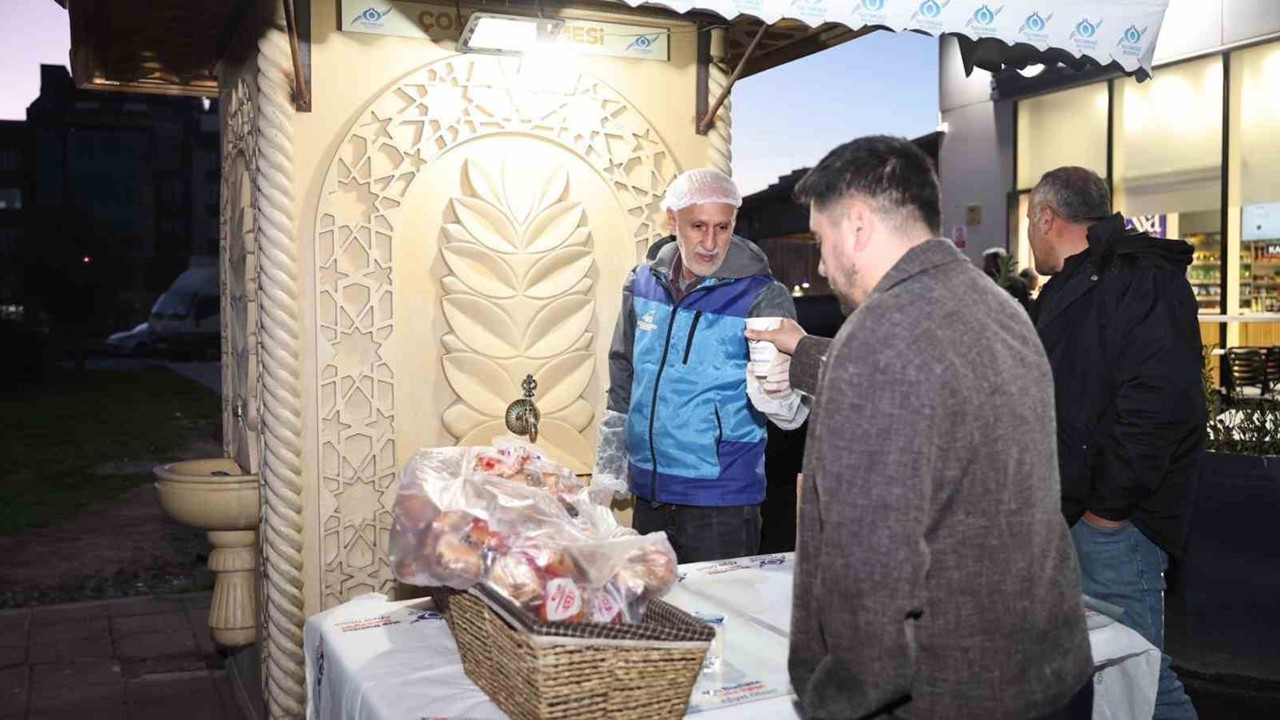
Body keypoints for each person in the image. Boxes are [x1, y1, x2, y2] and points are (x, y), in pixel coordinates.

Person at [748, 136, 1092, 720]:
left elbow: (874, 574)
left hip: (953, 695)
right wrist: (802, 350)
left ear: (857, 225)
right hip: (1049, 677)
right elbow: (927, 389)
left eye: (821, 240)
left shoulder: (879, 340)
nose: (823, 264)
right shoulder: (998, 308)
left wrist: (836, 701)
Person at [1026, 166, 1206, 720]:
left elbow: (1159, 407)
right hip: (1077, 519)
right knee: (1108, 681)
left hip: (1111, 527)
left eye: (1030, 222)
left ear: (1047, 217)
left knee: (1138, 681)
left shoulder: (1138, 278)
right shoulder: (1080, 283)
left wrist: (1107, 511)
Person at [590, 168, 809, 563]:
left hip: (720, 499)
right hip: (649, 490)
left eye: (722, 227)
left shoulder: (762, 297)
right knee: (654, 614)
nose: (711, 242)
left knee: (720, 621)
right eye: (698, 226)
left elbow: (790, 401)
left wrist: (784, 391)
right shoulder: (641, 283)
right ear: (673, 222)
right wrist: (610, 462)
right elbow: (623, 368)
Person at [982, 246, 1032, 310]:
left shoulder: (987, 284)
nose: (985, 266)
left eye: (988, 262)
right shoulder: (1021, 283)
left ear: (999, 261)